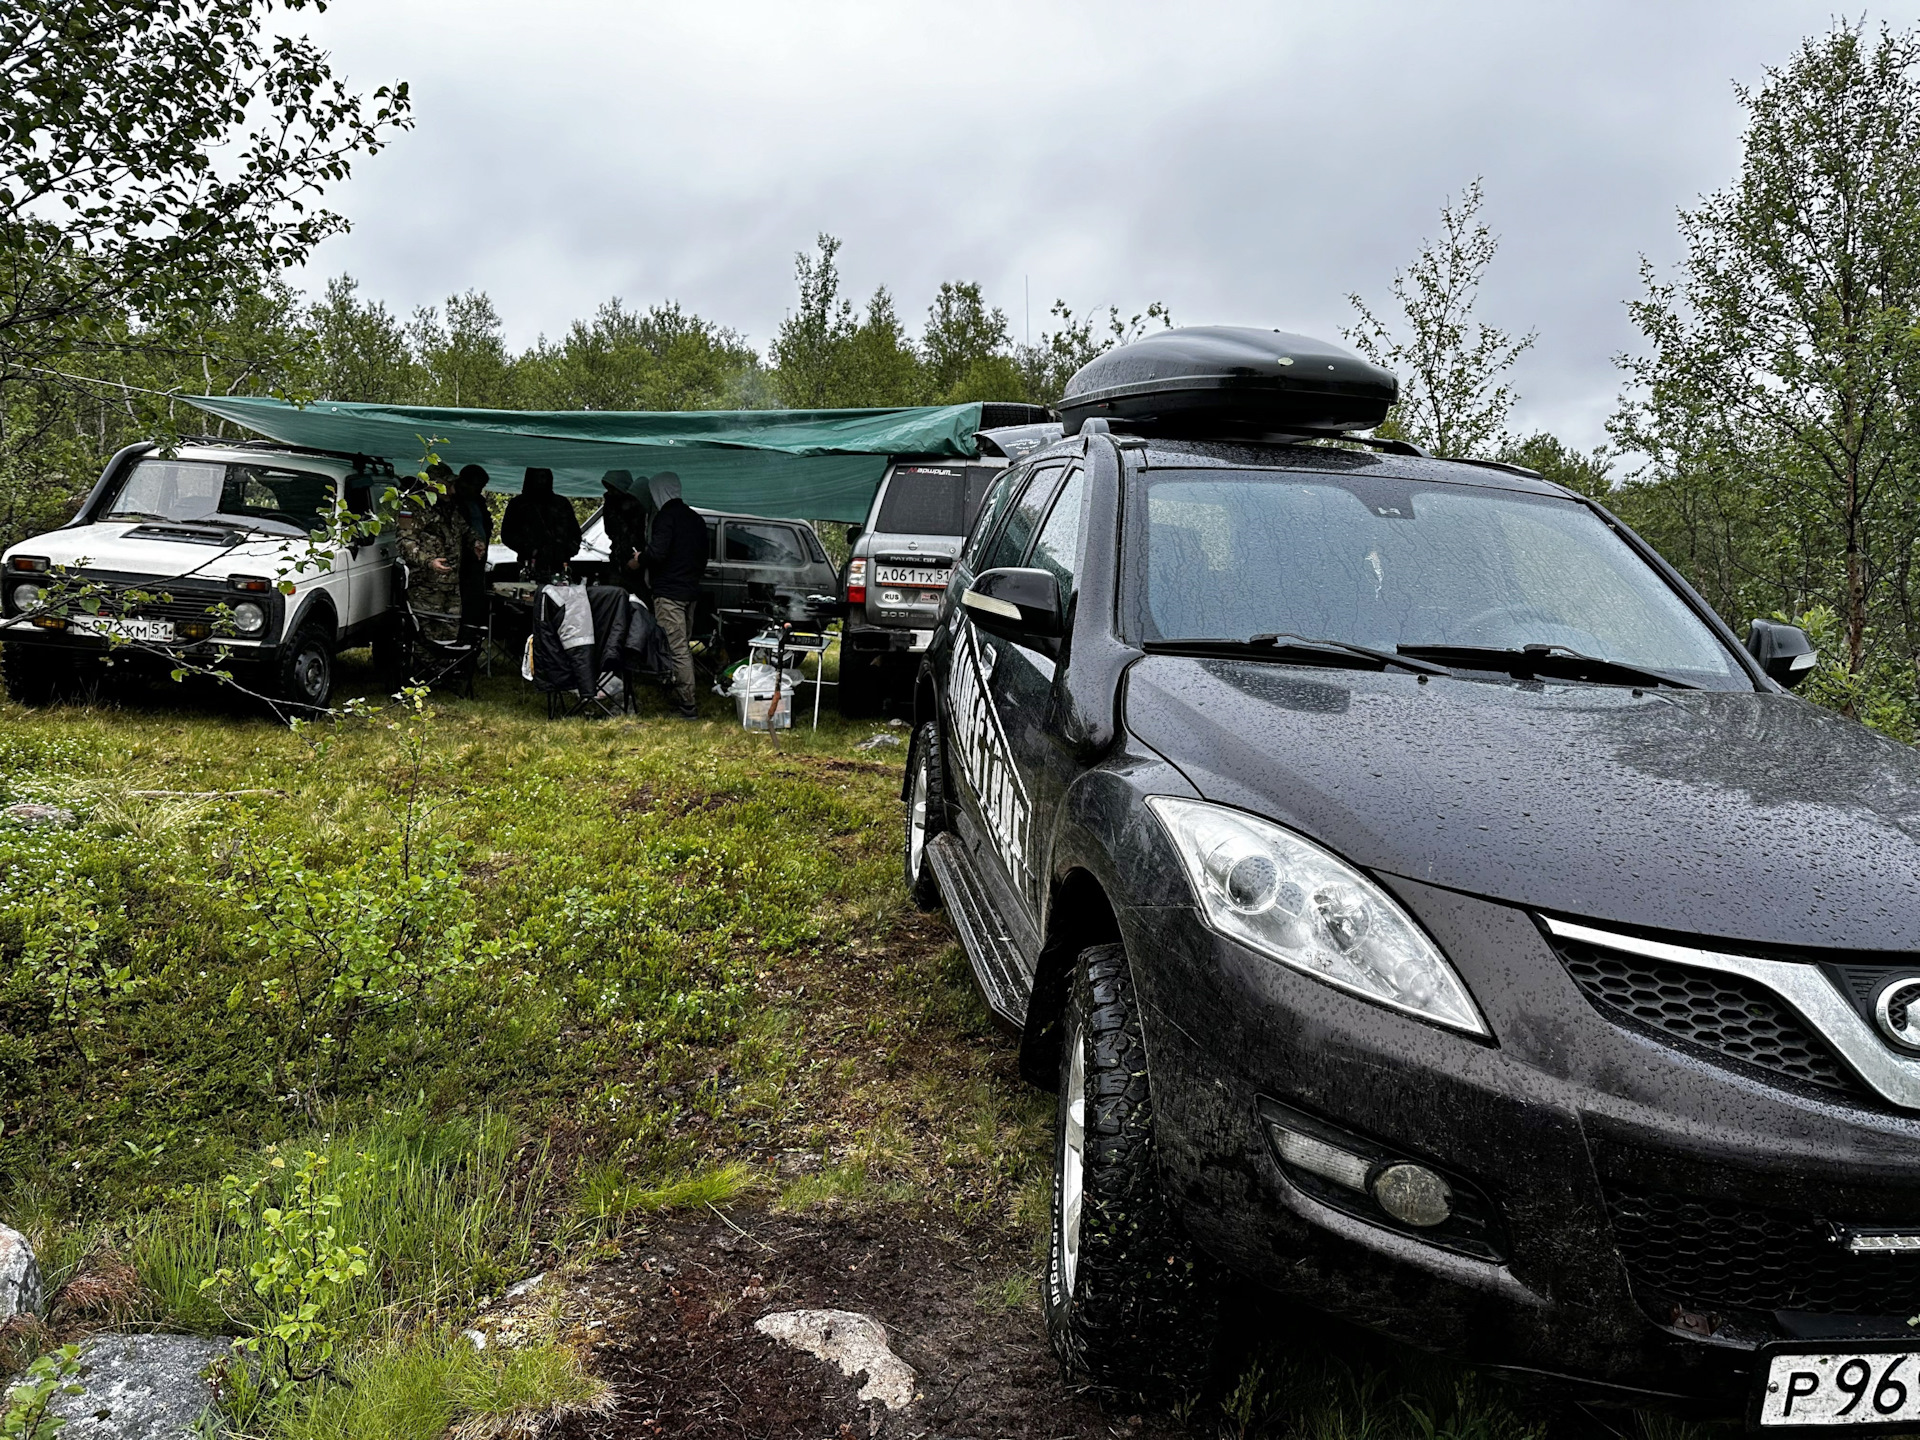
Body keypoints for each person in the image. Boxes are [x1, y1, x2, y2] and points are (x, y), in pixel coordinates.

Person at [643, 471, 706, 720]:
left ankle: (687, 705)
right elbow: (702, 557)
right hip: (690, 591)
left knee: (675, 648)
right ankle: (680, 698)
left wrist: (641, 558)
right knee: (683, 646)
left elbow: (657, 553)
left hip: (670, 593)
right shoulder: (695, 519)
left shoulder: (666, 517)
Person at [399, 469, 476, 642]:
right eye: (448, 485)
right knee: (428, 636)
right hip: (427, 586)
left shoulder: (450, 508)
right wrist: (429, 562)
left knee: (451, 632)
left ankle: (446, 668)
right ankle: (426, 669)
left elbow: (464, 529)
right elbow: (405, 543)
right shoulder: (414, 507)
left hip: (451, 583)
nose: (453, 491)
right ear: (433, 484)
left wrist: (476, 542)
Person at [500, 467, 582, 581]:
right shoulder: (518, 504)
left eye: (544, 477)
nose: (542, 481)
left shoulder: (561, 504)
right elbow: (507, 534)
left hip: (559, 564)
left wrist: (566, 551)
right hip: (530, 564)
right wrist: (530, 549)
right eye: (538, 477)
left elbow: (575, 533)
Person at [454, 464, 493, 639]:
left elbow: (486, 524)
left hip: (478, 559)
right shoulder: (454, 502)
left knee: (475, 602)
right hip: (461, 561)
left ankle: (471, 643)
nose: (479, 490)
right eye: (477, 486)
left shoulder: (478, 501)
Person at [601, 470, 649, 595]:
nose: (611, 492)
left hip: (635, 558)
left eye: (613, 489)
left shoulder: (636, 504)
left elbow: (639, 534)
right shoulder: (610, 504)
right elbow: (610, 531)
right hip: (618, 557)